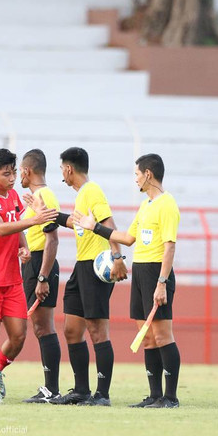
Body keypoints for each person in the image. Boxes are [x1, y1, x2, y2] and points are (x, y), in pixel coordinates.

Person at [73, 153, 181, 408]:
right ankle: (154, 396)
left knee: (163, 335)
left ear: (148, 174)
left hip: (157, 273)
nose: (135, 180)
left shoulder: (167, 204)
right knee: (148, 337)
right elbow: (129, 238)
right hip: (140, 273)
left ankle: (171, 397)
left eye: (136, 174)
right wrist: (95, 226)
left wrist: (162, 283)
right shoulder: (145, 206)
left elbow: (169, 248)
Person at [0, 148, 57, 404]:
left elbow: (15, 223)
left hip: (12, 279)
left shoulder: (14, 198)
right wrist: (34, 222)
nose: (11, 178)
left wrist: (23, 245)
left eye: (13, 172)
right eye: (6, 174)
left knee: (19, 334)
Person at [45, 147, 127, 406]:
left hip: (95, 269)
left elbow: (110, 226)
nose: (62, 176)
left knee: (97, 330)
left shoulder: (92, 191)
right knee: (71, 330)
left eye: (62, 170)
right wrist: (49, 214)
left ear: (69, 169)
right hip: (81, 268)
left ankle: (102, 394)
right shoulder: (82, 195)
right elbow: (75, 222)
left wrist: (117, 258)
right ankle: (81, 390)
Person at [18, 149, 62, 403]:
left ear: (27, 171)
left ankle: (51, 389)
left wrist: (43, 277)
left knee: (44, 327)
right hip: (33, 264)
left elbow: (52, 240)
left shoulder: (45, 196)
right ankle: (50, 388)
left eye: (20, 171)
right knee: (40, 327)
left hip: (40, 266)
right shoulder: (37, 197)